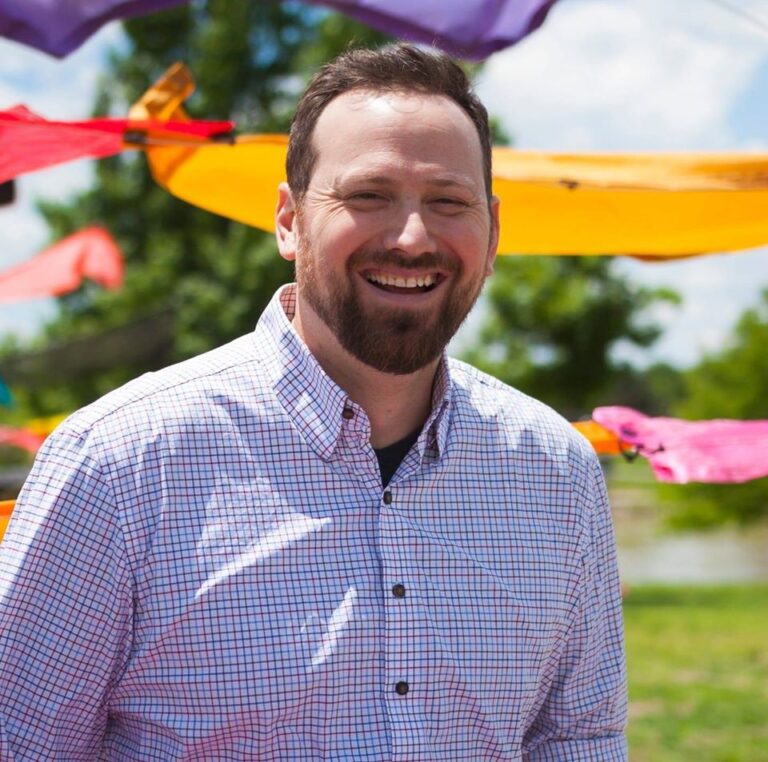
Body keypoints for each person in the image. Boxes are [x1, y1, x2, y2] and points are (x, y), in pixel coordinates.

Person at [0, 44, 627, 760]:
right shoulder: (118, 466)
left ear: (492, 233)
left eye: (448, 202)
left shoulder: (557, 473)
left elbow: (577, 737)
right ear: (288, 221)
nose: (413, 237)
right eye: (368, 196)